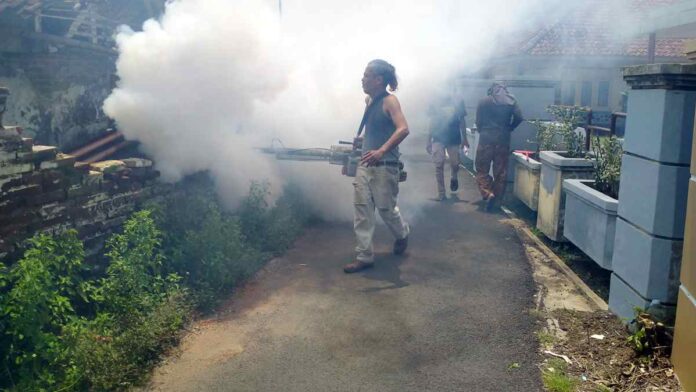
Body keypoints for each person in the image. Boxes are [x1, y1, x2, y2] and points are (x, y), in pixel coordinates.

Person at [343, 59, 411, 274]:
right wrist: (363, 142)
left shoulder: (390, 101)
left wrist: (381, 150)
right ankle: (364, 256)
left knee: (386, 210)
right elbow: (378, 131)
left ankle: (402, 234)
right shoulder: (369, 101)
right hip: (366, 165)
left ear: (378, 79)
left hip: (385, 165)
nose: (362, 79)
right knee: (362, 210)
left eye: (366, 75)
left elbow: (403, 129)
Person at [474, 82, 523, 212]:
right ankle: (496, 203)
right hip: (503, 139)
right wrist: (509, 129)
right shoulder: (512, 101)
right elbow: (519, 117)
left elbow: (478, 121)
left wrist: (482, 131)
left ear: (491, 90)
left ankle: (488, 193)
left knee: (481, 169)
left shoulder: (483, 101)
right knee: (501, 172)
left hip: (486, 138)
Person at [426, 94, 468, 201]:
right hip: (438, 137)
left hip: (453, 138)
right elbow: (432, 121)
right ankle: (441, 193)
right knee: (438, 164)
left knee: (455, 163)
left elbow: (462, 121)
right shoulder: (434, 100)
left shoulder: (458, 100)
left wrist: (465, 138)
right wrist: (428, 140)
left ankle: (454, 176)